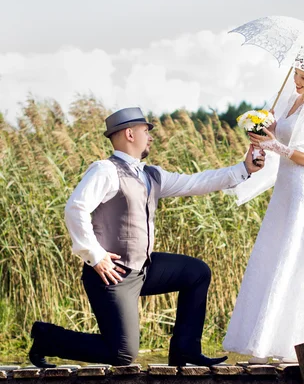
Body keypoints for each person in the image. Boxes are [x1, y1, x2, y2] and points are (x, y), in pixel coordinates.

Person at [29, 106, 264, 368]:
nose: (151, 136)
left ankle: (185, 350)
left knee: (197, 272)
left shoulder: (151, 175)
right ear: (130, 134)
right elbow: (76, 208)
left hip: (144, 269)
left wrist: (245, 169)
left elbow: (196, 182)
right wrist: (95, 257)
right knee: (122, 354)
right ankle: (46, 338)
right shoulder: (105, 170)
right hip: (112, 276)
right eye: (146, 131)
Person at [223, 46, 304, 364]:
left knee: (295, 263)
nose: (297, 82)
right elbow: (277, 141)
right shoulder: (291, 103)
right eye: (296, 75)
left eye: (303, 77)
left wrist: (278, 146)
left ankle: (296, 346)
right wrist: (262, 137)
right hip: (283, 193)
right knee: (274, 256)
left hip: (303, 193)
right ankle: (264, 339)